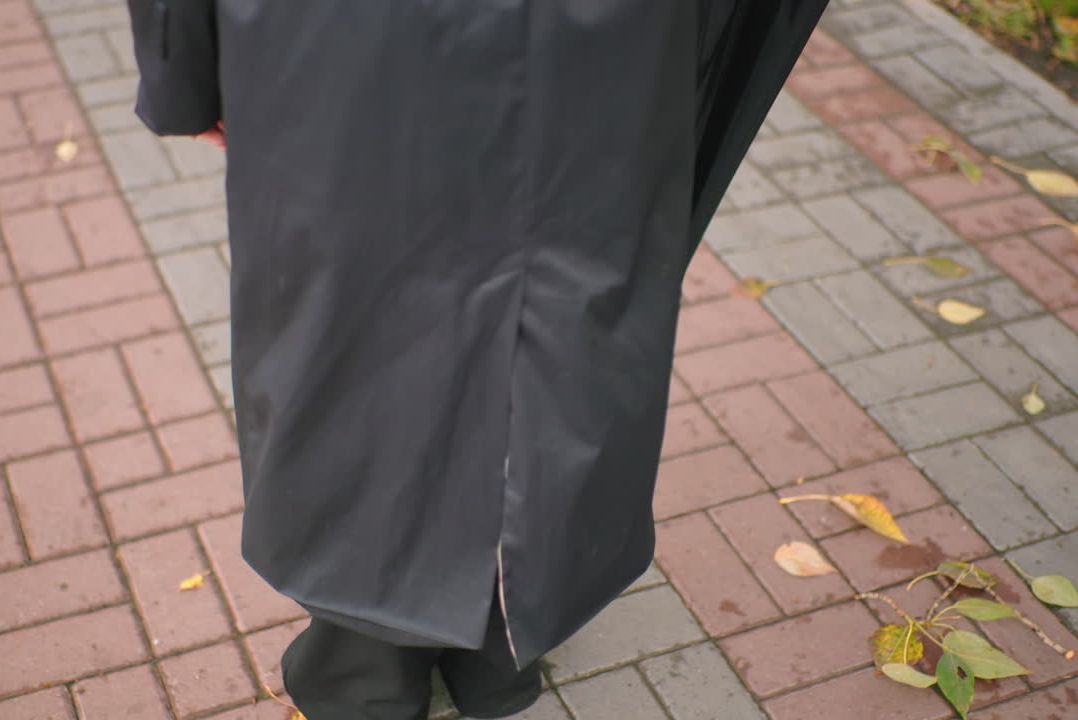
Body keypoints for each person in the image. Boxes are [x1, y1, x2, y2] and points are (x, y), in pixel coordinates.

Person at [125, 3, 829, 718]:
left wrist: (181, 72)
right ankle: (502, 642)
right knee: (566, 323)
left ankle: (368, 671)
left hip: (357, 44)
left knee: (368, 339)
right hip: (613, 40)